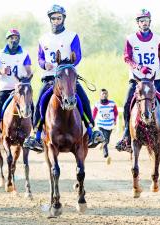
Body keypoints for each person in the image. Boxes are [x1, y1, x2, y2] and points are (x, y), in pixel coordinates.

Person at [23, 4, 104, 152]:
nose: (56, 21)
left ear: (63, 19)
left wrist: (70, 62)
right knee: (40, 100)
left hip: (68, 78)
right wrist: (44, 64)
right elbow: (40, 58)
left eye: (59, 18)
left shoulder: (72, 36)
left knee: (84, 99)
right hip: (49, 78)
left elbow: (77, 55)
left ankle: (92, 132)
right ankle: (36, 135)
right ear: (50, 20)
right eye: (53, 18)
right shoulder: (43, 38)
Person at [116, 9, 160, 152]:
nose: (144, 23)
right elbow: (127, 58)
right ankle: (127, 135)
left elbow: (157, 56)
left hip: (154, 79)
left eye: (146, 20)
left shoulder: (157, 39)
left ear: (149, 21)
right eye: (141, 21)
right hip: (137, 79)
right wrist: (140, 67)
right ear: (138, 23)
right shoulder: (131, 38)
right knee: (127, 102)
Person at [0, 29, 33, 153]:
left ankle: (33, 137)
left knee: (32, 106)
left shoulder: (24, 54)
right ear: (7, 40)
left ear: (19, 39)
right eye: (11, 38)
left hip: (21, 89)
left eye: (16, 38)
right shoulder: (0, 54)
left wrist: (28, 76)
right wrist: (0, 72)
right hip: (5, 89)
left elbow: (29, 70)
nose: (14, 40)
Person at [93, 89, 118, 159]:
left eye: (105, 94)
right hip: (101, 124)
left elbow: (116, 112)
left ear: (107, 95)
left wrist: (115, 120)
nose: (104, 95)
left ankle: (100, 141)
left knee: (107, 140)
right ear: (100, 95)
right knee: (104, 139)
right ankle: (105, 153)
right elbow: (94, 114)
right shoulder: (97, 104)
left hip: (110, 125)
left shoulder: (112, 103)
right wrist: (92, 121)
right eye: (103, 94)